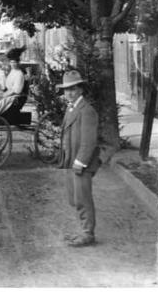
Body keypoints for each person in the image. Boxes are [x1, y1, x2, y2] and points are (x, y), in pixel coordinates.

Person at [57, 70, 100, 247]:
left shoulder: (87, 110)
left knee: (83, 198)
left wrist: (80, 161)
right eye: (66, 89)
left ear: (81, 89)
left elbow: (89, 140)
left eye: (73, 89)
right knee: (74, 197)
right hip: (71, 158)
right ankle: (82, 229)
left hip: (81, 162)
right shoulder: (71, 107)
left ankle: (88, 233)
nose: (69, 93)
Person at [0, 46, 28, 116]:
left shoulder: (20, 73)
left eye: (15, 62)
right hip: (10, 94)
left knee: (0, 103)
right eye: (11, 62)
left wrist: (4, 95)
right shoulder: (12, 71)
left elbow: (16, 90)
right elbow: (6, 86)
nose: (13, 64)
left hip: (16, 97)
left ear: (18, 63)